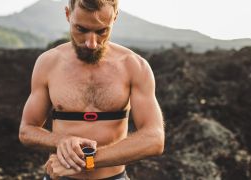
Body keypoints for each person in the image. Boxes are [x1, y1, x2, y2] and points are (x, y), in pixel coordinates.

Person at [19, 0, 165, 179]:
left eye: (102, 31)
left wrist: (88, 161)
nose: (91, 43)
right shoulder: (48, 63)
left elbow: (154, 139)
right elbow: (27, 130)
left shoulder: (134, 66)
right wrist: (61, 141)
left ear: (115, 17)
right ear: (68, 15)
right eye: (81, 29)